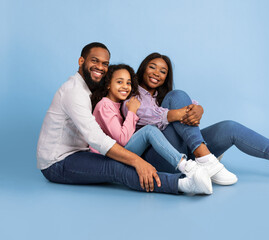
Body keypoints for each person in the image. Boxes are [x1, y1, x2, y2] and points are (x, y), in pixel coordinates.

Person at [122, 52, 269, 184]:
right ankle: (206, 159)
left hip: (189, 154)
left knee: (229, 127)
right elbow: (143, 117)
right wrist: (174, 114)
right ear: (143, 68)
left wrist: (199, 109)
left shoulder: (166, 96)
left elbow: (191, 107)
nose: (157, 73)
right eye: (152, 67)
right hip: (161, 158)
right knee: (176, 96)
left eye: (163, 71)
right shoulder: (131, 94)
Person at [36, 43, 212, 195]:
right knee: (116, 168)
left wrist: (198, 108)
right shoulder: (74, 92)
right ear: (81, 61)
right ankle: (183, 184)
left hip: (81, 153)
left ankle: (197, 165)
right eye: (94, 61)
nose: (100, 67)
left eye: (105, 63)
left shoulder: (89, 91)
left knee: (121, 164)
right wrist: (138, 160)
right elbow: (97, 139)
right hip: (57, 162)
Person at [89, 63, 211, 194]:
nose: (125, 86)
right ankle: (188, 167)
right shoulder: (105, 105)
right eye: (119, 82)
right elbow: (122, 139)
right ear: (108, 84)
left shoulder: (115, 105)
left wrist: (198, 109)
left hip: (119, 151)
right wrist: (132, 112)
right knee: (149, 130)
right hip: (110, 156)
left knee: (151, 128)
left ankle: (198, 161)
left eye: (128, 83)